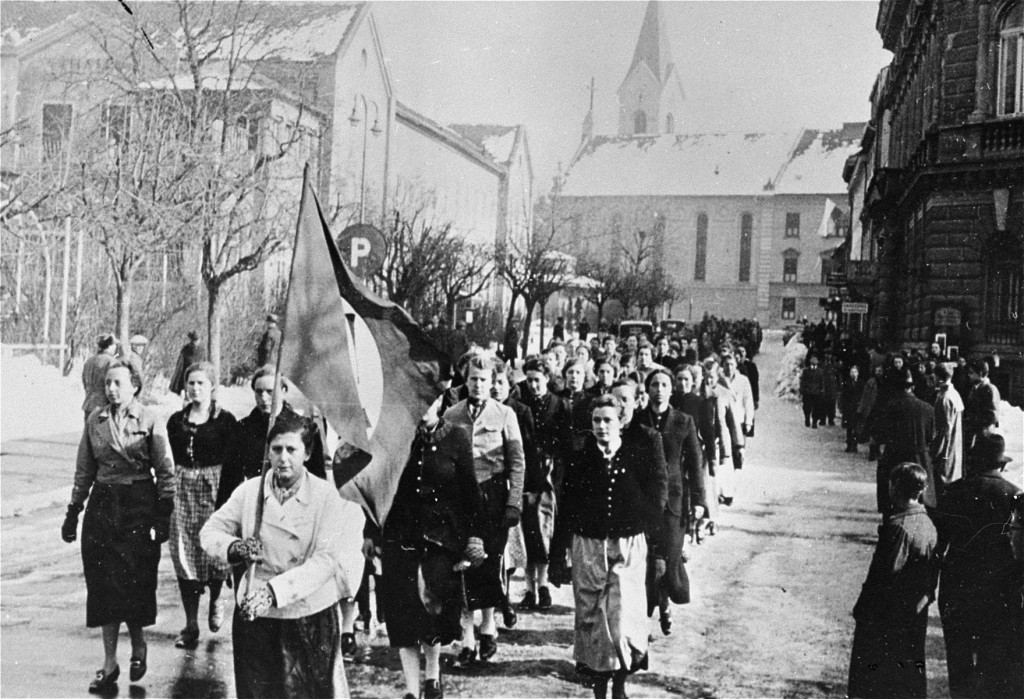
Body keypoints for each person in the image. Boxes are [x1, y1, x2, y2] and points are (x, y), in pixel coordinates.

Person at [200, 414, 365, 699]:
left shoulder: (326, 497)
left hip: (307, 614)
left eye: (292, 450)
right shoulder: (251, 491)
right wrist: (235, 547)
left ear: (307, 452)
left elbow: (326, 560)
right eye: (276, 450)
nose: (283, 458)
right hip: (256, 615)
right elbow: (210, 531)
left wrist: (274, 593)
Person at [62, 360, 175, 692]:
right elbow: (84, 469)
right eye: (108, 383)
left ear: (135, 386)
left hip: (139, 502)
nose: (111, 389)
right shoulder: (94, 421)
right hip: (103, 505)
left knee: (135, 582)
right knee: (103, 585)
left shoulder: (150, 420)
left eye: (118, 383)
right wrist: (73, 510)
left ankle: (138, 645)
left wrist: (163, 513)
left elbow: (165, 470)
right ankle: (109, 663)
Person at [550, 393, 667, 699]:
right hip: (588, 546)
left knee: (623, 613)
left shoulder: (638, 456)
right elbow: (566, 509)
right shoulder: (580, 460)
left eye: (608, 420)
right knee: (591, 615)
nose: (602, 427)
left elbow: (655, 505)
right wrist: (557, 556)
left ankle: (620, 682)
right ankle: (601, 686)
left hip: (628, 546)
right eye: (596, 421)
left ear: (621, 422)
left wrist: (660, 550)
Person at [380, 408, 486, 699]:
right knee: (403, 614)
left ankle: (432, 673)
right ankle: (413, 691)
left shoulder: (456, 437)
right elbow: (380, 486)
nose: (423, 406)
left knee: (433, 607)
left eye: (431, 398)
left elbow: (471, 492)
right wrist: (369, 532)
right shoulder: (397, 436)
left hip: (443, 539)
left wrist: (475, 537)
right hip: (401, 537)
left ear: (440, 398)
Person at [442, 355, 525, 666]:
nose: (478, 385)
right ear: (466, 381)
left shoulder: (505, 415)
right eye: (473, 379)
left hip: (492, 495)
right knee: (462, 561)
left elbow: (517, 463)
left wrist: (513, 503)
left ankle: (488, 626)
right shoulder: (451, 414)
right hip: (460, 497)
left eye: (484, 380)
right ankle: (467, 635)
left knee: (488, 561)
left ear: (493, 383)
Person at [933, 433, 1023, 699]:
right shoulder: (1013, 496)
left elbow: (939, 544)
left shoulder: (953, 491)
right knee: (992, 658)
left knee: (958, 655)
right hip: (998, 589)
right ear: (1002, 465)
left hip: (957, 585)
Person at [848, 462, 938, 699]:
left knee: (878, 680)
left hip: (888, 617)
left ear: (896, 487)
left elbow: (884, 576)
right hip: (912, 614)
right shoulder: (926, 522)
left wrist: (863, 610)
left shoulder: (899, 528)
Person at [165, 362, 238, 649]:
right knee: (184, 552)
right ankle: (190, 622)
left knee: (215, 552)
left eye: (201, 383)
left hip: (214, 489)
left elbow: (232, 461)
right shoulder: (175, 421)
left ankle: (217, 598)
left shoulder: (225, 421)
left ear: (212, 388)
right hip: (183, 488)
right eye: (191, 383)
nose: (195, 389)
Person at [637, 369, 705, 636]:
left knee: (671, 555)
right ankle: (645, 616)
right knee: (647, 560)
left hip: (675, 501)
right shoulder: (639, 420)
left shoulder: (683, 421)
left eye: (665, 384)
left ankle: (665, 600)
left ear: (671, 389)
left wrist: (699, 500)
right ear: (648, 389)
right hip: (644, 500)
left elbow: (695, 464)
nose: (660, 389)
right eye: (654, 384)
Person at [216, 366, 326, 506]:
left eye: (270, 392)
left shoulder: (304, 427)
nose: (263, 398)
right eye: (259, 392)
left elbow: (317, 477)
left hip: (294, 504)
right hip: (256, 503)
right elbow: (229, 479)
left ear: (284, 391)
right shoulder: (242, 429)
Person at [519, 358, 571, 611]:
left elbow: (566, 442)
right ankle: (529, 587)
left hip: (551, 473)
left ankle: (544, 584)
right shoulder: (521, 404)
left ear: (547, 379)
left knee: (546, 527)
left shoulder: (560, 405)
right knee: (529, 529)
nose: (533, 385)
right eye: (529, 380)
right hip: (528, 472)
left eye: (537, 380)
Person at [875, 369, 936, 515]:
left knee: (893, 499)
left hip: (894, 458)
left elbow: (881, 435)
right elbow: (930, 437)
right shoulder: (927, 409)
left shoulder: (889, 407)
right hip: (919, 459)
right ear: (912, 387)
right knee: (920, 497)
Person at [930, 363, 963, 495]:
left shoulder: (945, 398)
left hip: (945, 452)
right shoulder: (954, 394)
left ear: (939, 378)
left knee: (942, 487)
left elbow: (943, 431)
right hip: (955, 448)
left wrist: (934, 453)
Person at [962, 358, 1000, 453]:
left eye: (971, 373)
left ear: (981, 374)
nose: (969, 375)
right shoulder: (975, 388)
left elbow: (992, 416)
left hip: (983, 436)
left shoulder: (990, 389)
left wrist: (973, 422)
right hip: (974, 434)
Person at [81, 333, 117, 423]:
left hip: (89, 404)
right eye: (114, 345)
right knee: (102, 435)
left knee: (88, 434)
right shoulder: (111, 362)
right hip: (103, 406)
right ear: (110, 346)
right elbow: (112, 385)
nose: (115, 347)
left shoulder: (89, 361)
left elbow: (84, 382)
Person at [169, 331, 205, 397]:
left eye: (197, 340)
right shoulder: (185, 350)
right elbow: (179, 367)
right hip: (188, 378)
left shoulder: (202, 351)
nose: (195, 342)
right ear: (191, 340)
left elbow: (206, 365)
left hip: (200, 377)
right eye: (193, 340)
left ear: (200, 340)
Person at [840, 365, 865, 453]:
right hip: (849, 408)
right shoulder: (847, 383)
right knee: (849, 428)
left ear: (858, 373)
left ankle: (855, 445)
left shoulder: (861, 383)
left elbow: (863, 396)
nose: (853, 374)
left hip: (857, 408)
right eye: (852, 372)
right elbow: (843, 396)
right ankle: (849, 445)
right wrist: (842, 407)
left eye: (855, 372)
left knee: (856, 428)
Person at [799, 354, 824, 428]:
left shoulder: (820, 372)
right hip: (807, 392)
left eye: (815, 364)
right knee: (807, 407)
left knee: (816, 408)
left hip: (816, 393)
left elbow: (822, 382)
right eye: (812, 364)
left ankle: (814, 422)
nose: (813, 366)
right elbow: (803, 381)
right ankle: (807, 418)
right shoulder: (806, 371)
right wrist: (802, 390)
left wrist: (822, 391)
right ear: (810, 364)